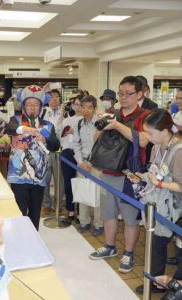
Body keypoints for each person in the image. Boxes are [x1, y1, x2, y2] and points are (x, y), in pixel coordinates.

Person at [89, 76, 150, 273]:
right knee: (108, 213)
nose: (123, 98)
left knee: (131, 217)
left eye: (128, 94)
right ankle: (110, 246)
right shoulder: (111, 113)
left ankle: (129, 253)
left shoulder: (145, 115)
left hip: (130, 175)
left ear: (140, 94)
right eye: (120, 93)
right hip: (107, 171)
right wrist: (102, 124)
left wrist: (116, 125)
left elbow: (142, 141)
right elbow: (96, 139)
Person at [126, 109, 182, 294]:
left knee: (179, 248)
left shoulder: (179, 151)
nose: (147, 136)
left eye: (150, 133)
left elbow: (181, 186)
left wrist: (158, 183)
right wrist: (142, 178)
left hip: (177, 207)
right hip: (161, 205)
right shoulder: (156, 147)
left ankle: (177, 286)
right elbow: (153, 172)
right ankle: (157, 282)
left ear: (165, 132)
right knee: (156, 242)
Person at [6, 85, 60, 230]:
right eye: (29, 104)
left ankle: (34, 241)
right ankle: (21, 241)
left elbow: (55, 145)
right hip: (18, 175)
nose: (32, 108)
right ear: (23, 106)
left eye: (36, 104)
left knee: (35, 212)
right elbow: (10, 129)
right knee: (20, 212)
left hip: (39, 177)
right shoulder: (16, 120)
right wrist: (26, 129)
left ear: (41, 106)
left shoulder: (47, 125)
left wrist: (45, 139)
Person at [72, 95, 103, 235]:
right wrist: (80, 162)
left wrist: (93, 162)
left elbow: (104, 146)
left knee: (99, 194)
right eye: (83, 107)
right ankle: (84, 221)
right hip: (83, 163)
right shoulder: (78, 124)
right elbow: (76, 145)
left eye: (89, 107)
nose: (86, 110)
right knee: (82, 192)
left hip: (98, 165)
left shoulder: (101, 124)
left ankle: (99, 224)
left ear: (94, 108)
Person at [57, 94, 83, 221]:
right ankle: (71, 209)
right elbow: (57, 133)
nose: (78, 107)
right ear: (72, 105)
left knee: (81, 184)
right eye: (76, 104)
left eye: (80, 104)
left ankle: (81, 212)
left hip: (82, 154)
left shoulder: (86, 120)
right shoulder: (67, 120)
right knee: (69, 183)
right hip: (67, 153)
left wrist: (75, 132)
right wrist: (61, 117)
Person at [41, 89, 65, 214]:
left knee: (59, 179)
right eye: (51, 97)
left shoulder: (65, 113)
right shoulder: (43, 112)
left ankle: (59, 204)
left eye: (57, 97)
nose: (54, 99)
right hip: (45, 149)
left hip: (60, 151)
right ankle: (46, 203)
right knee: (45, 177)